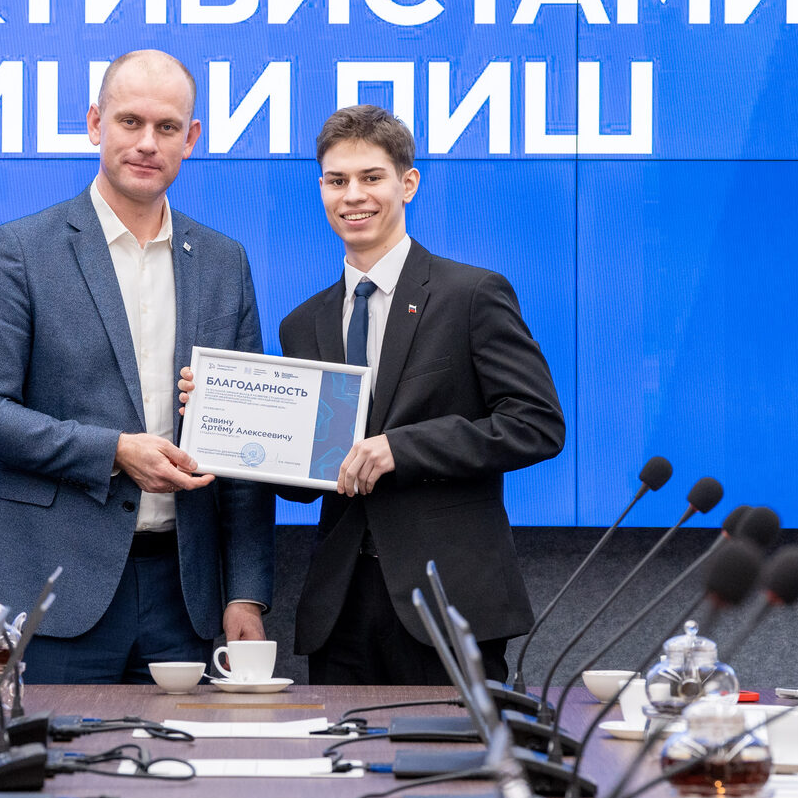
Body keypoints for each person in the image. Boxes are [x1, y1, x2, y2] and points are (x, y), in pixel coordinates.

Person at [187, 104, 564, 683]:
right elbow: (303, 482)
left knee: (450, 746)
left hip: (448, 600)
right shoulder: (302, 323)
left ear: (407, 184)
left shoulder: (471, 295)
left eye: (371, 177)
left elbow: (536, 424)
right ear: (321, 189)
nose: (353, 196)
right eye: (337, 180)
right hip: (339, 610)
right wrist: (222, 417)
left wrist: (401, 449)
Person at [0, 49, 273, 683]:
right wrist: (114, 451)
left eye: (167, 127)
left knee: (185, 754)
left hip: (186, 597)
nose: (148, 143)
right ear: (96, 123)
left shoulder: (224, 262)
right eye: (130, 122)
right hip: (49, 590)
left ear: (191, 139)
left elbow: (246, 445)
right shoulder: (19, 251)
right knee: (47, 751)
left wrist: (246, 593)